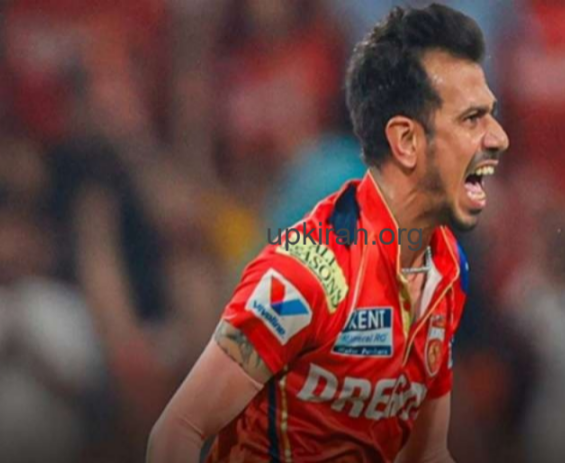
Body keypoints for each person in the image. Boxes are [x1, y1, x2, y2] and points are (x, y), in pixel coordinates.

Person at [147, 4, 509, 462]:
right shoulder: (301, 279)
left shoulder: (444, 270)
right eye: (470, 120)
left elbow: (430, 453)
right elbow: (177, 430)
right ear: (405, 140)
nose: (497, 138)